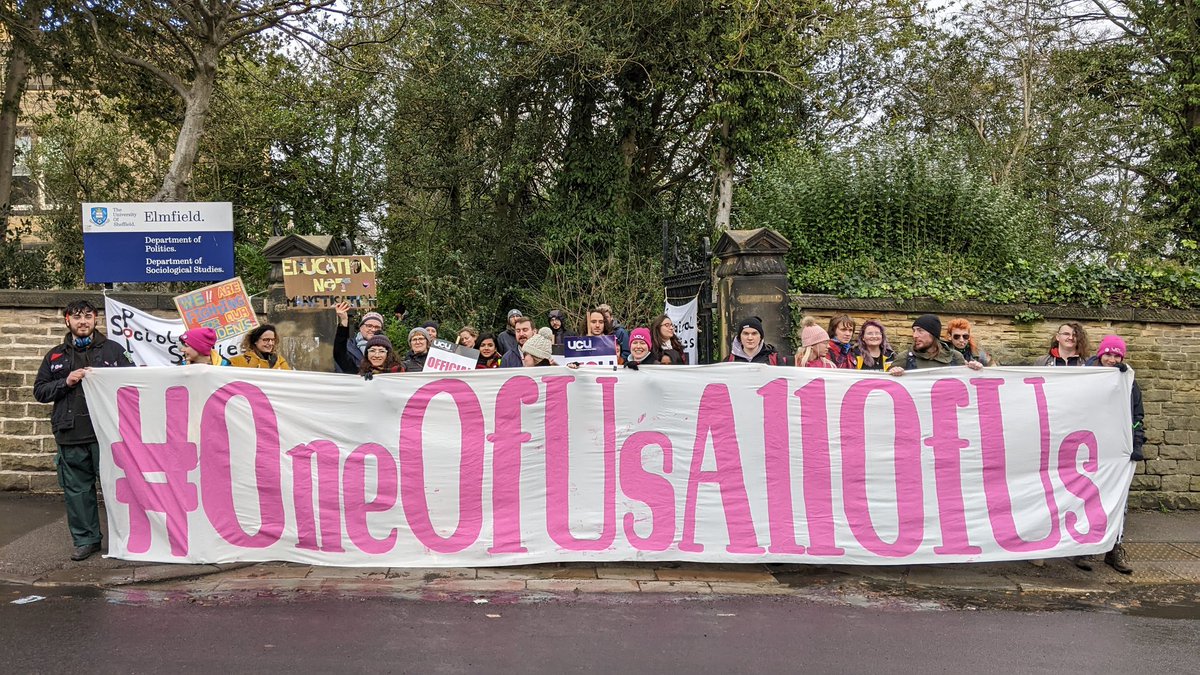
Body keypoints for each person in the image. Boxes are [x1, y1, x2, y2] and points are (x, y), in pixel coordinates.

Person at [34, 299, 136, 561]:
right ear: (67, 320)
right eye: (77, 317)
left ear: (96, 319)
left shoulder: (114, 351)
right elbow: (40, 391)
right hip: (71, 433)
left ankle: (128, 539)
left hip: (108, 435)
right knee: (78, 492)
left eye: (88, 316)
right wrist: (66, 381)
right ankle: (86, 540)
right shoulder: (55, 356)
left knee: (119, 489)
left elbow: (133, 387)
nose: (83, 321)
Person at [1087, 335, 1142, 574]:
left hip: (1117, 448)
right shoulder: (1084, 376)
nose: (1111, 359)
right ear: (1100, 355)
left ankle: (1114, 549)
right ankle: (1085, 549)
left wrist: (1137, 444)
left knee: (1120, 501)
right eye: (1107, 354)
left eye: (1116, 355)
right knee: (1088, 497)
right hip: (1091, 446)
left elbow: (1136, 417)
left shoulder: (1128, 382)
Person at [889, 314, 982, 375]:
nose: (915, 335)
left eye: (920, 331)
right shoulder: (905, 358)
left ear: (933, 334)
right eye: (914, 331)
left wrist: (977, 370)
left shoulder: (955, 357)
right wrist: (893, 372)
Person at [332, 306, 385, 373]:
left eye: (377, 327)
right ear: (361, 328)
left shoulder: (387, 348)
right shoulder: (348, 347)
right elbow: (339, 353)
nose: (373, 329)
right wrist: (344, 320)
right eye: (369, 326)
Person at [725, 316, 791, 365]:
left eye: (754, 333)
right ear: (739, 337)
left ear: (760, 337)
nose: (750, 338)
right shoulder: (729, 361)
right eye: (746, 333)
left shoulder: (774, 359)